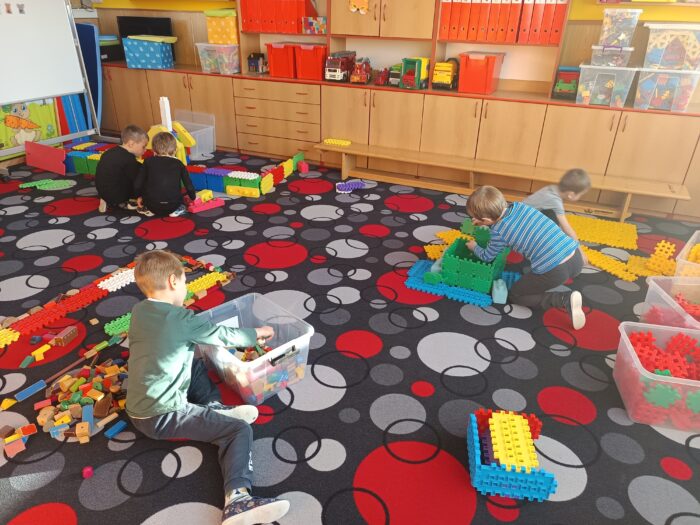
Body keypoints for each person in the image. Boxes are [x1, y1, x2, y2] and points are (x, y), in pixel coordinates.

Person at [126, 250, 290, 525]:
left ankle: (214, 409)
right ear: (173, 281)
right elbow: (221, 335)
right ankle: (238, 500)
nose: (186, 288)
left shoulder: (140, 311)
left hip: (139, 406)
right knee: (239, 430)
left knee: (192, 359)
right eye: (185, 282)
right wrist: (256, 334)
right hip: (162, 415)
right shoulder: (181, 319)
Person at [466, 185, 586, 330]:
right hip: (575, 257)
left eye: (476, 218)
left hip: (555, 271)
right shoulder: (520, 206)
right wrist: (487, 223)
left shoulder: (498, 232)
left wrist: (474, 246)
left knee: (516, 295)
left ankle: (562, 299)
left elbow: (487, 256)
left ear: (485, 220)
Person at [523, 169, 591, 260]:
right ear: (571, 194)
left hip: (519, 217)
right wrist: (580, 252)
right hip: (520, 227)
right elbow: (567, 229)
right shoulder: (554, 201)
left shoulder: (551, 188)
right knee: (554, 222)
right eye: (580, 195)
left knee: (552, 217)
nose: (580, 197)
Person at [134, 132, 196, 217]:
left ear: (153, 151)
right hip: (173, 205)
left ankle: (148, 209)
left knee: (149, 191)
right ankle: (176, 210)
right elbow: (188, 185)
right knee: (180, 199)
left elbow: (138, 183)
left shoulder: (148, 161)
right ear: (175, 150)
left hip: (151, 204)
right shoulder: (179, 163)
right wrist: (193, 197)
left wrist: (138, 196)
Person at [95, 125, 148, 213]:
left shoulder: (109, 152)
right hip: (117, 196)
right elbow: (137, 180)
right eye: (143, 146)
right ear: (131, 144)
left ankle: (107, 199)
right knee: (141, 180)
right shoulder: (129, 159)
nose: (145, 150)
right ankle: (124, 202)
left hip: (102, 192)